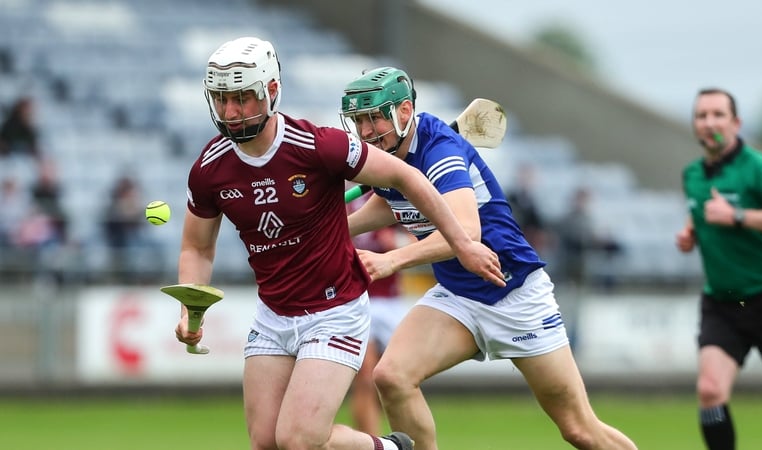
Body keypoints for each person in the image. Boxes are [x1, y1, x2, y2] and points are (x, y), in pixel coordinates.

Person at [172, 37, 505, 450]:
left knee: (297, 440)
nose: (231, 112)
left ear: (271, 91)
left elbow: (407, 176)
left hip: (334, 311)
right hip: (273, 315)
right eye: (221, 99)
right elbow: (197, 248)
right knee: (265, 443)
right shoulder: (209, 169)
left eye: (243, 98)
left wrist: (464, 244)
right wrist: (192, 307)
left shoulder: (318, 145)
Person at [340, 66, 637, 450]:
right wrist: (319, 231)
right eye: (359, 120)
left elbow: (465, 235)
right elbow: (386, 204)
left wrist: (394, 261)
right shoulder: (388, 156)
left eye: (374, 118)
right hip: (459, 298)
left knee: (579, 429)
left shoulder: (440, 149)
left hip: (513, 293)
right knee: (392, 377)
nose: (365, 131)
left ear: (404, 111)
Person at [675, 87, 762, 450]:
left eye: (718, 115)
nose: (709, 122)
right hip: (723, 302)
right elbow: (700, 211)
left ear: (736, 123)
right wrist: (690, 232)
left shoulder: (760, 169)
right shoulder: (693, 174)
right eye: (702, 116)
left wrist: (738, 216)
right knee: (710, 390)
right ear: (695, 125)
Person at [346, 187, 408, 435]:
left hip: (391, 301)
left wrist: (395, 243)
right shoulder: (340, 199)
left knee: (392, 381)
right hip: (356, 300)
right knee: (365, 379)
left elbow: (418, 236)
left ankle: (392, 437)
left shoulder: (388, 193)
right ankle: (370, 441)